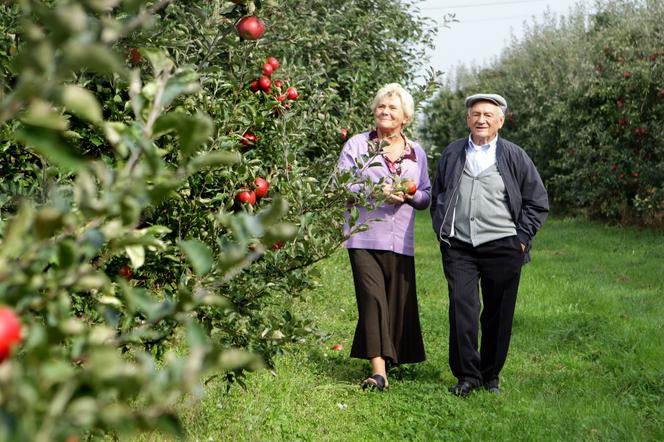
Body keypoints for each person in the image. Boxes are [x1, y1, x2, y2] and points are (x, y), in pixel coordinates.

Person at [430, 93, 549, 397]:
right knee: (462, 308)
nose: (481, 120)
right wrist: (442, 230)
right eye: (475, 114)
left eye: (487, 115)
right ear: (467, 119)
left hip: (503, 245)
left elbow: (537, 202)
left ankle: (490, 374)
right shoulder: (453, 153)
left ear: (500, 120)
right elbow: (439, 195)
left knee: (498, 312)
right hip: (459, 246)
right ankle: (467, 375)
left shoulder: (514, 155)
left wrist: (521, 239)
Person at [336, 83, 431, 391]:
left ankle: (390, 357)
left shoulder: (416, 153)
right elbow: (341, 184)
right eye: (381, 106)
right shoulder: (357, 145)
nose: (385, 112)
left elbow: (426, 194)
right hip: (363, 236)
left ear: (405, 117)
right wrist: (375, 192)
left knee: (395, 302)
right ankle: (378, 372)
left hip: (400, 238)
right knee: (373, 300)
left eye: (392, 108)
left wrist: (410, 197)